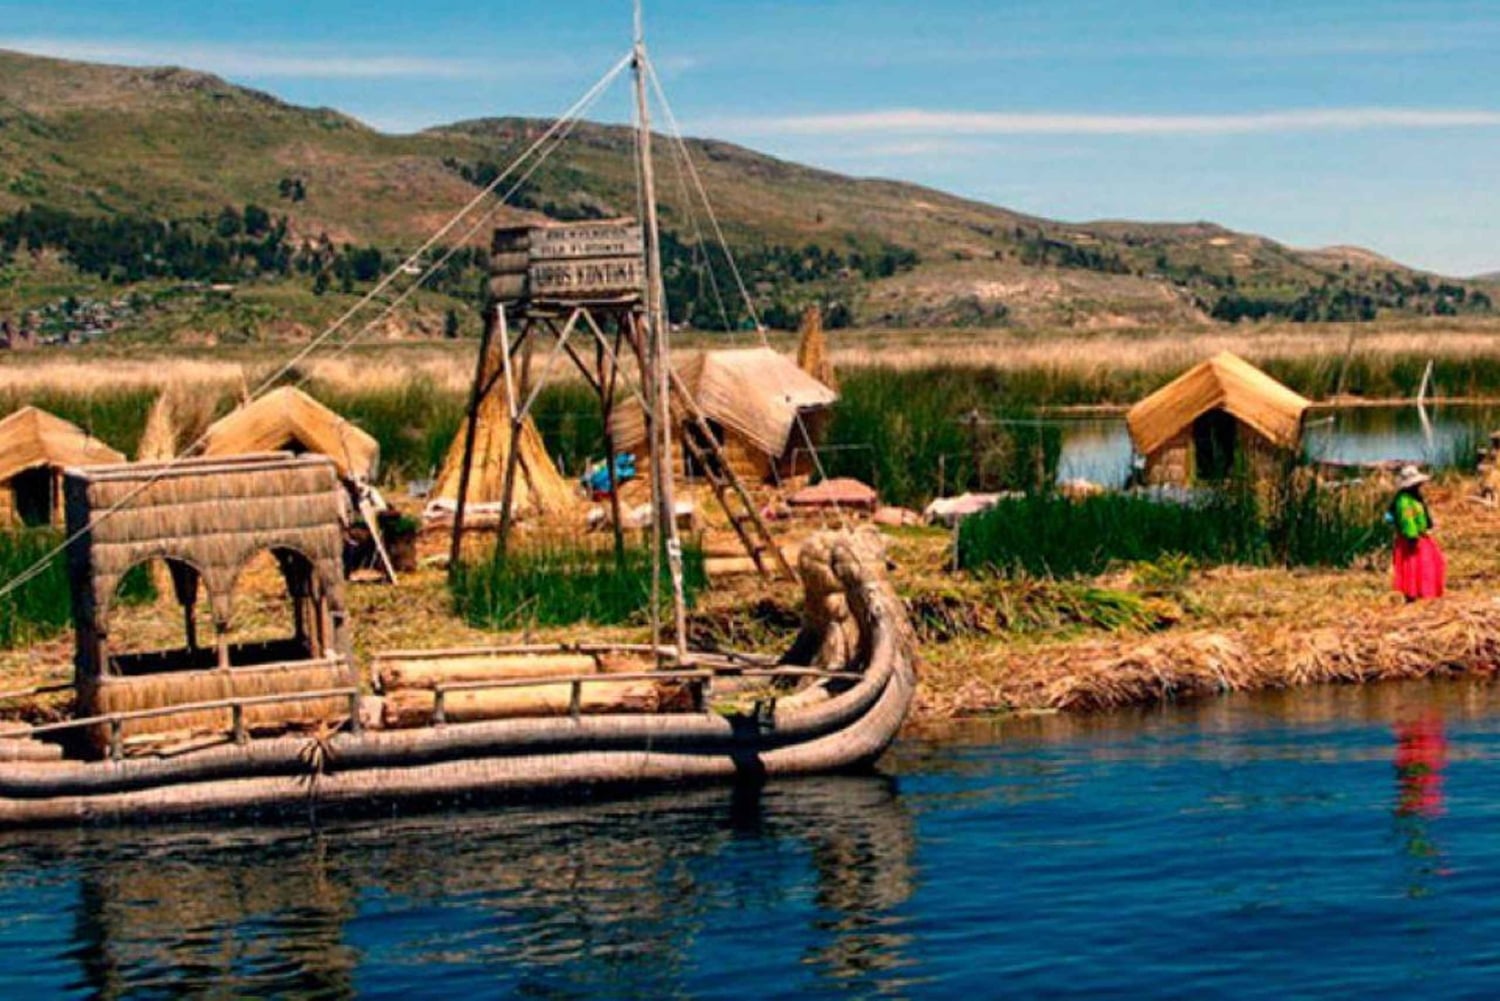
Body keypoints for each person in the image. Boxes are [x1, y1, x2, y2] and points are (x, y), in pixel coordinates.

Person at [1390, 464, 1445, 601]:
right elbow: (1407, 519)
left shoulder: (1414, 497)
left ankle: (1424, 593)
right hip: (1411, 540)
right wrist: (1412, 537)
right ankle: (1413, 594)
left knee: (1432, 562)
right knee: (1414, 567)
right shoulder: (1404, 500)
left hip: (1420, 536)